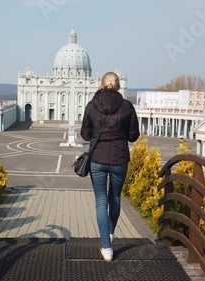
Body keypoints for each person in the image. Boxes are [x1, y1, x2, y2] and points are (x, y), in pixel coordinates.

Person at [80, 71, 140, 262]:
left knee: (100, 201)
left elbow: (85, 134)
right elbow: (133, 136)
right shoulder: (127, 106)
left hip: (97, 159)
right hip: (119, 159)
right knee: (115, 198)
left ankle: (106, 247)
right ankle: (110, 233)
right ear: (119, 87)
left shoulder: (91, 105)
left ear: (101, 85)